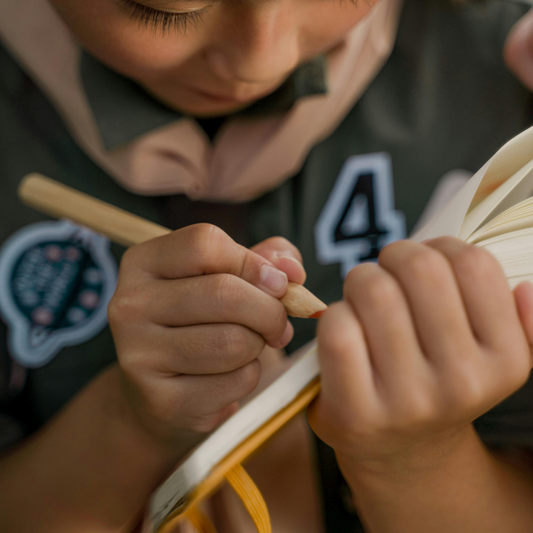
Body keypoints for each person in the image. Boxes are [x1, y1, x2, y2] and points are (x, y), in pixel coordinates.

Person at [1, 0, 533, 531]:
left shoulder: (499, 75)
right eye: (167, 10)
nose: (261, 60)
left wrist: (418, 462)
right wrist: (132, 422)